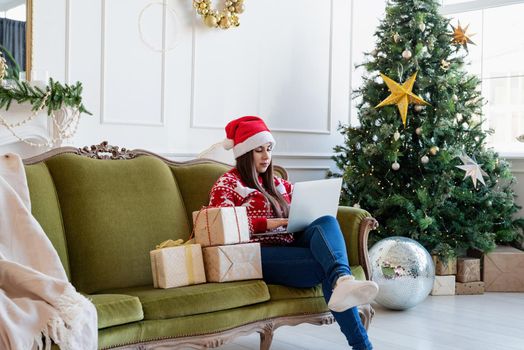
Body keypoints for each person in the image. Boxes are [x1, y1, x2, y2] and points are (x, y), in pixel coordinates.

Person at [208, 116, 379, 350]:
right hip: (255, 255)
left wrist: (303, 216)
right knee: (323, 266)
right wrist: (270, 223)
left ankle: (343, 279)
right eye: (258, 150)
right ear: (245, 153)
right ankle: (363, 345)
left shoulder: (278, 184)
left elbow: (305, 212)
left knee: (326, 220)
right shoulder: (227, 184)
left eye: (268, 149)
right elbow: (222, 226)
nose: (266, 156)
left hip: (290, 246)